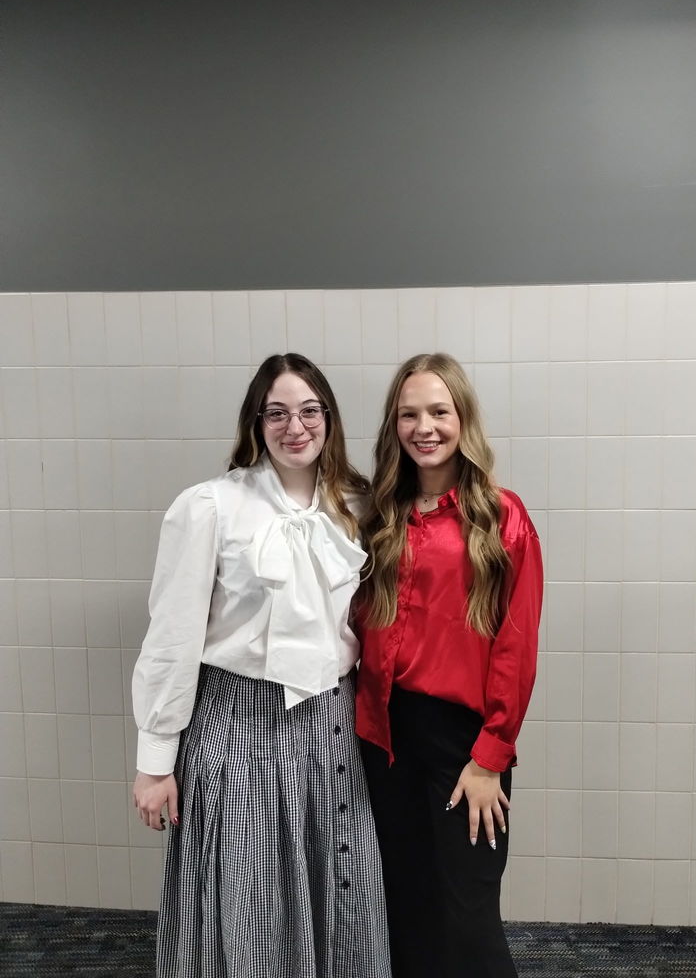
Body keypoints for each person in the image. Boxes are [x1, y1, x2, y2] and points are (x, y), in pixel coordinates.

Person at [132, 353, 391, 978]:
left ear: (328, 418)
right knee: (243, 893)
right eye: (276, 412)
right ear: (256, 421)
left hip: (330, 726)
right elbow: (171, 636)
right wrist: (154, 763)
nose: (294, 426)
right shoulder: (210, 507)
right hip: (236, 725)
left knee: (340, 880)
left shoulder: (358, 505)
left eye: (308, 411)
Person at [355, 353, 543, 978]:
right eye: (409, 414)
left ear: (463, 417)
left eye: (439, 411)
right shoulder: (379, 517)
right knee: (406, 909)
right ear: (394, 425)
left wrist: (491, 756)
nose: (424, 427)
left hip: (464, 744)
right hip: (385, 738)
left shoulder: (500, 516)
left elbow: (516, 647)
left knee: (467, 920)